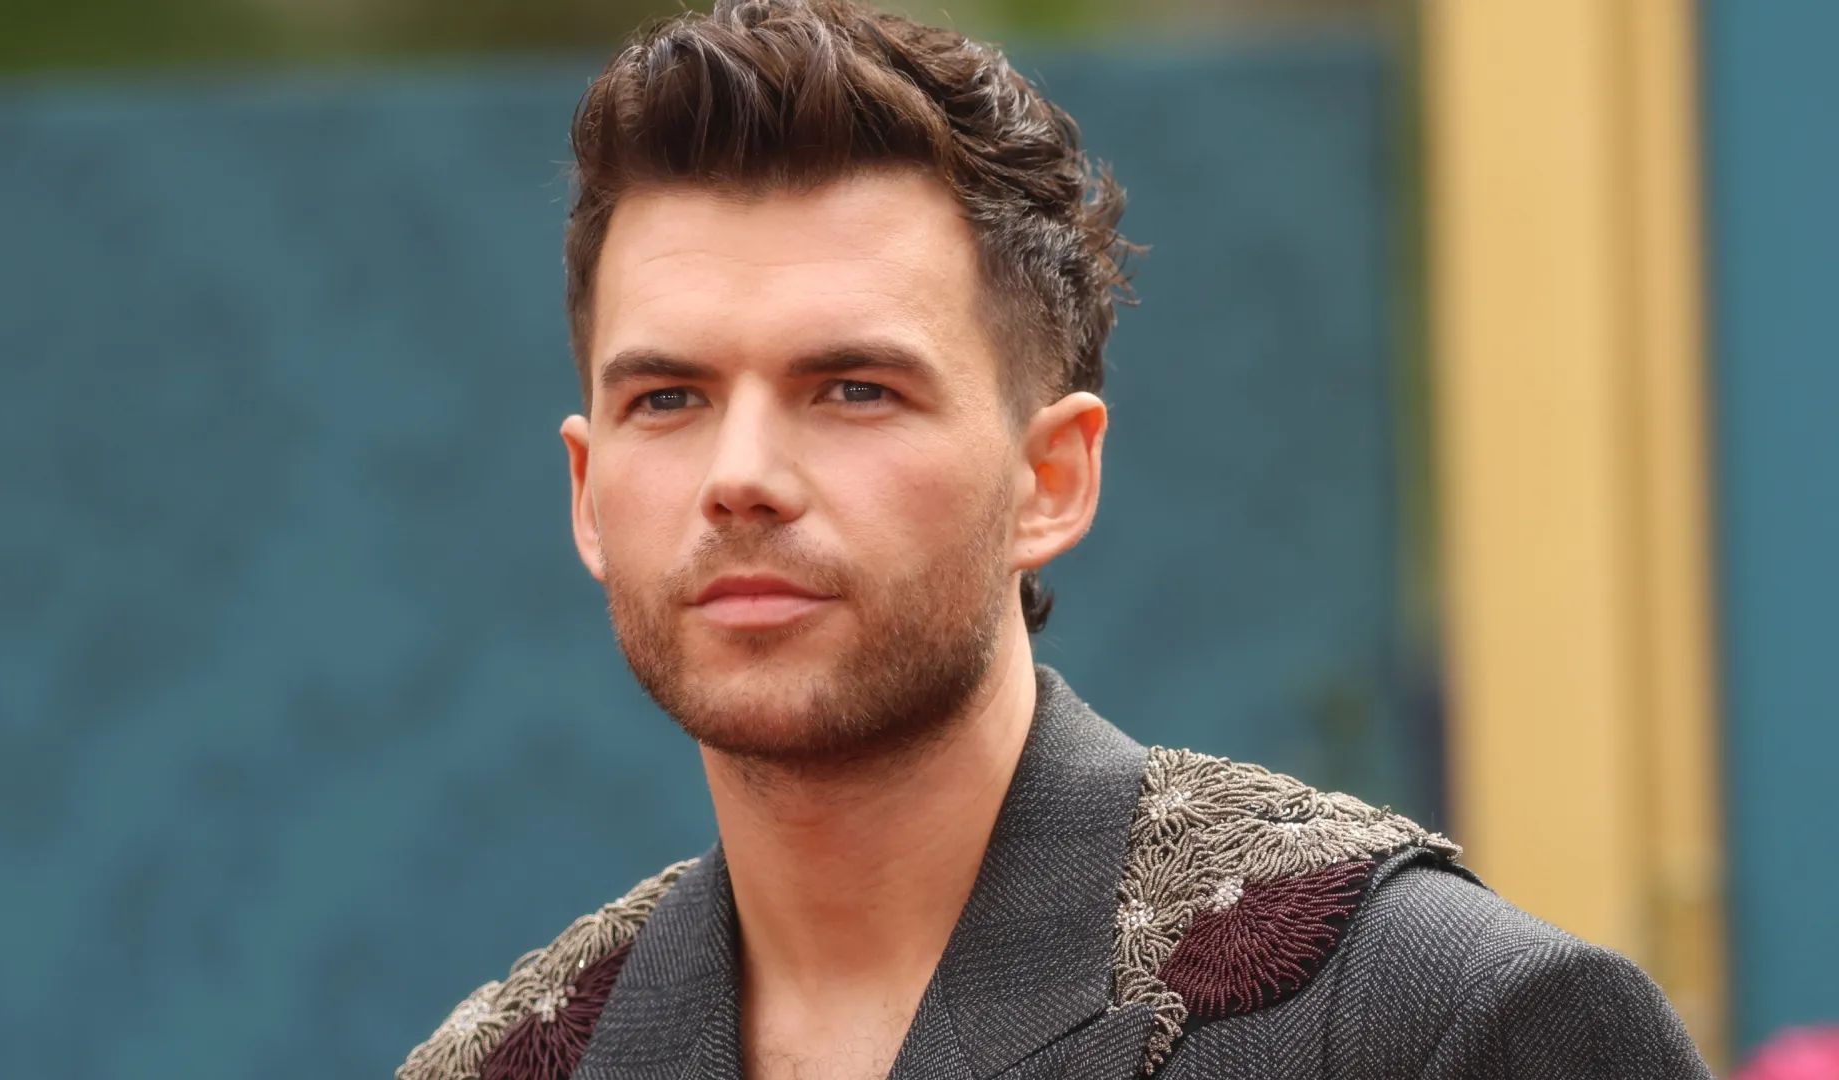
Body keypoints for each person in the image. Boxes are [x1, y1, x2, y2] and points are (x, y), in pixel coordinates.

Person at [397, 1, 1710, 1077]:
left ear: (1053, 477)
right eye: (667, 399)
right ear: (586, 490)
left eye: (854, 389)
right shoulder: (500, 1068)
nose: (741, 477)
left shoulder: (1433, 1025)